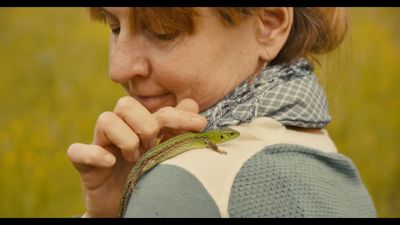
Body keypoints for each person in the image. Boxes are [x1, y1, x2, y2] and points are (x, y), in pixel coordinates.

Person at [67, 7, 377, 217]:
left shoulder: (185, 180)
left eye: (163, 32)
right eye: (114, 26)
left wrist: (155, 196)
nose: (118, 69)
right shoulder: (332, 163)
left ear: (269, 24)